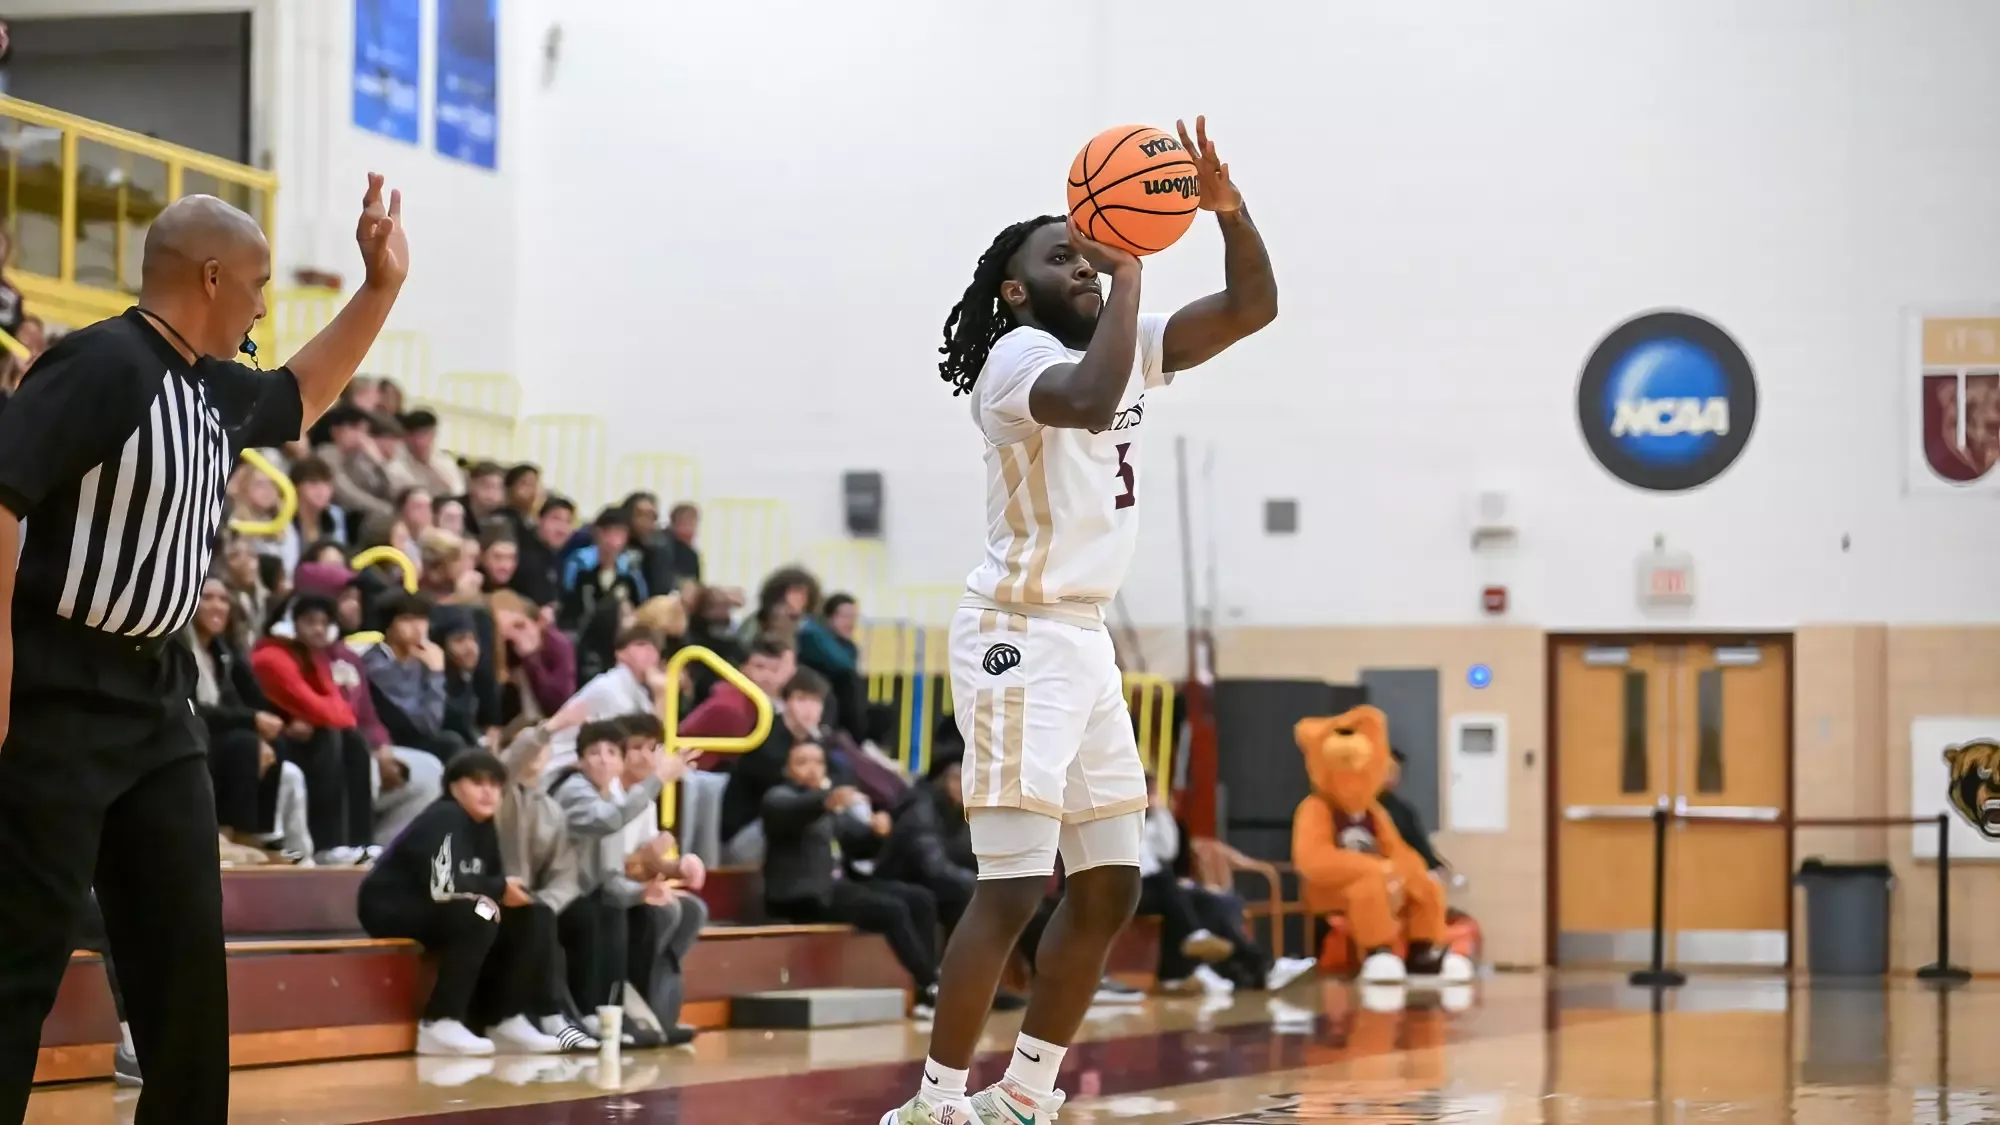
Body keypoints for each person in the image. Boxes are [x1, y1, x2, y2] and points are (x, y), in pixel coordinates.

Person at [884, 118, 1275, 1125]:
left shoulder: (1118, 339)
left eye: (1091, 247)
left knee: (1109, 888)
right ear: (1016, 288)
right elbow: (1094, 398)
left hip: (1083, 640)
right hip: (1015, 633)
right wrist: (1132, 268)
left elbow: (1250, 308)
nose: (1090, 262)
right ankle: (932, 1105)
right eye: (1066, 255)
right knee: (1013, 888)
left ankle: (1022, 1095)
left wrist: (1227, 213)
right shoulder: (1013, 361)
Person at [0, 176, 408, 1123]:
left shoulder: (211, 385)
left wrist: (380, 289)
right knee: (20, 957)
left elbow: (304, 394)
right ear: (214, 275)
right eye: (260, 284)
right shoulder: (99, 363)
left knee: (184, 969)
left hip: (158, 701)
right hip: (58, 687)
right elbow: (5, 495)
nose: (266, 305)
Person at [356, 750, 565, 1057]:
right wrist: (497, 889)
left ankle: (505, 1018)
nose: (488, 792)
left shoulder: (484, 828)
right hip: (394, 906)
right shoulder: (446, 816)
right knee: (479, 914)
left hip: (448, 907)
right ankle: (440, 1022)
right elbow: (443, 885)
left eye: (495, 785)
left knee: (534, 915)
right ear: (454, 786)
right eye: (477, 782)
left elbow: (487, 885)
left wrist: (505, 895)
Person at [762, 741, 938, 1016]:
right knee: (892, 910)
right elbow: (793, 812)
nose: (812, 768)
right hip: (802, 895)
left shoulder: (830, 807)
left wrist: (878, 833)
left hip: (835, 887)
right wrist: (824, 800)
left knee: (920, 899)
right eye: (802, 762)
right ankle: (930, 984)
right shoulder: (778, 798)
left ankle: (926, 986)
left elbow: (859, 842)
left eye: (818, 762)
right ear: (787, 769)